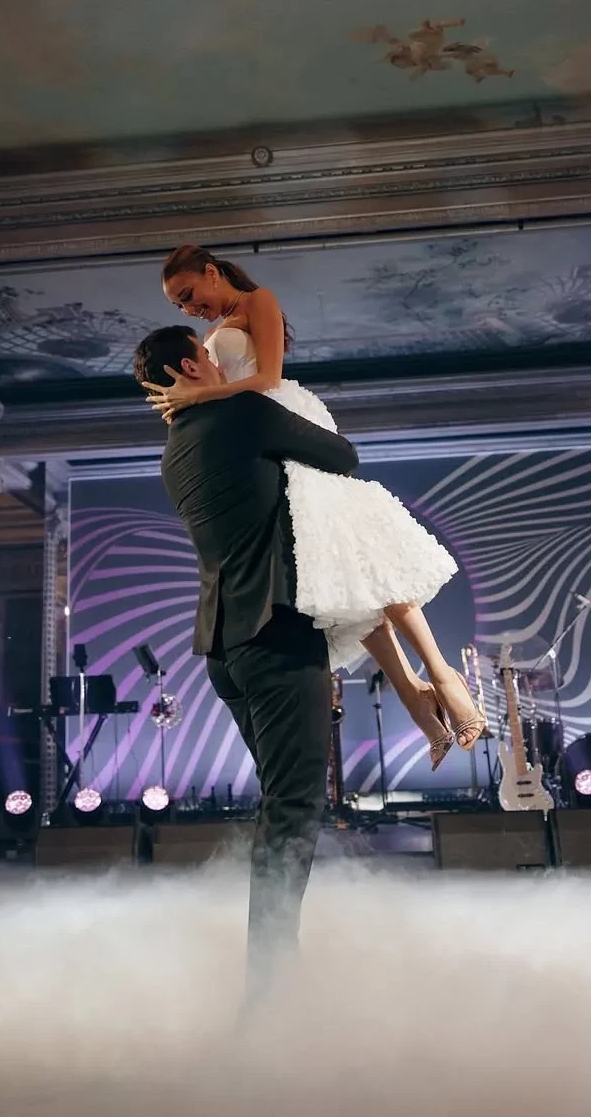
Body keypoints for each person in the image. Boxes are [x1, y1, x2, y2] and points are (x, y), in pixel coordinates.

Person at [142, 244, 483, 770]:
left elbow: (268, 380)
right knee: (343, 577)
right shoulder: (209, 344)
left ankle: (441, 675)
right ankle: (414, 694)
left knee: (366, 554)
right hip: (257, 450)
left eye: (188, 294)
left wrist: (197, 398)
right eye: (179, 305)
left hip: (282, 423)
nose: (189, 308)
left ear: (211, 273)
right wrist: (193, 406)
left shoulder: (258, 301)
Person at [133, 324, 354, 1000]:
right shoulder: (242, 413)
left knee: (280, 805)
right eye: (206, 352)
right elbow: (341, 455)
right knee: (294, 807)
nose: (217, 356)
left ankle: (275, 970)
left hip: (225, 651)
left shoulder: (173, 452)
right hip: (276, 633)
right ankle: (271, 985)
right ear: (191, 365)